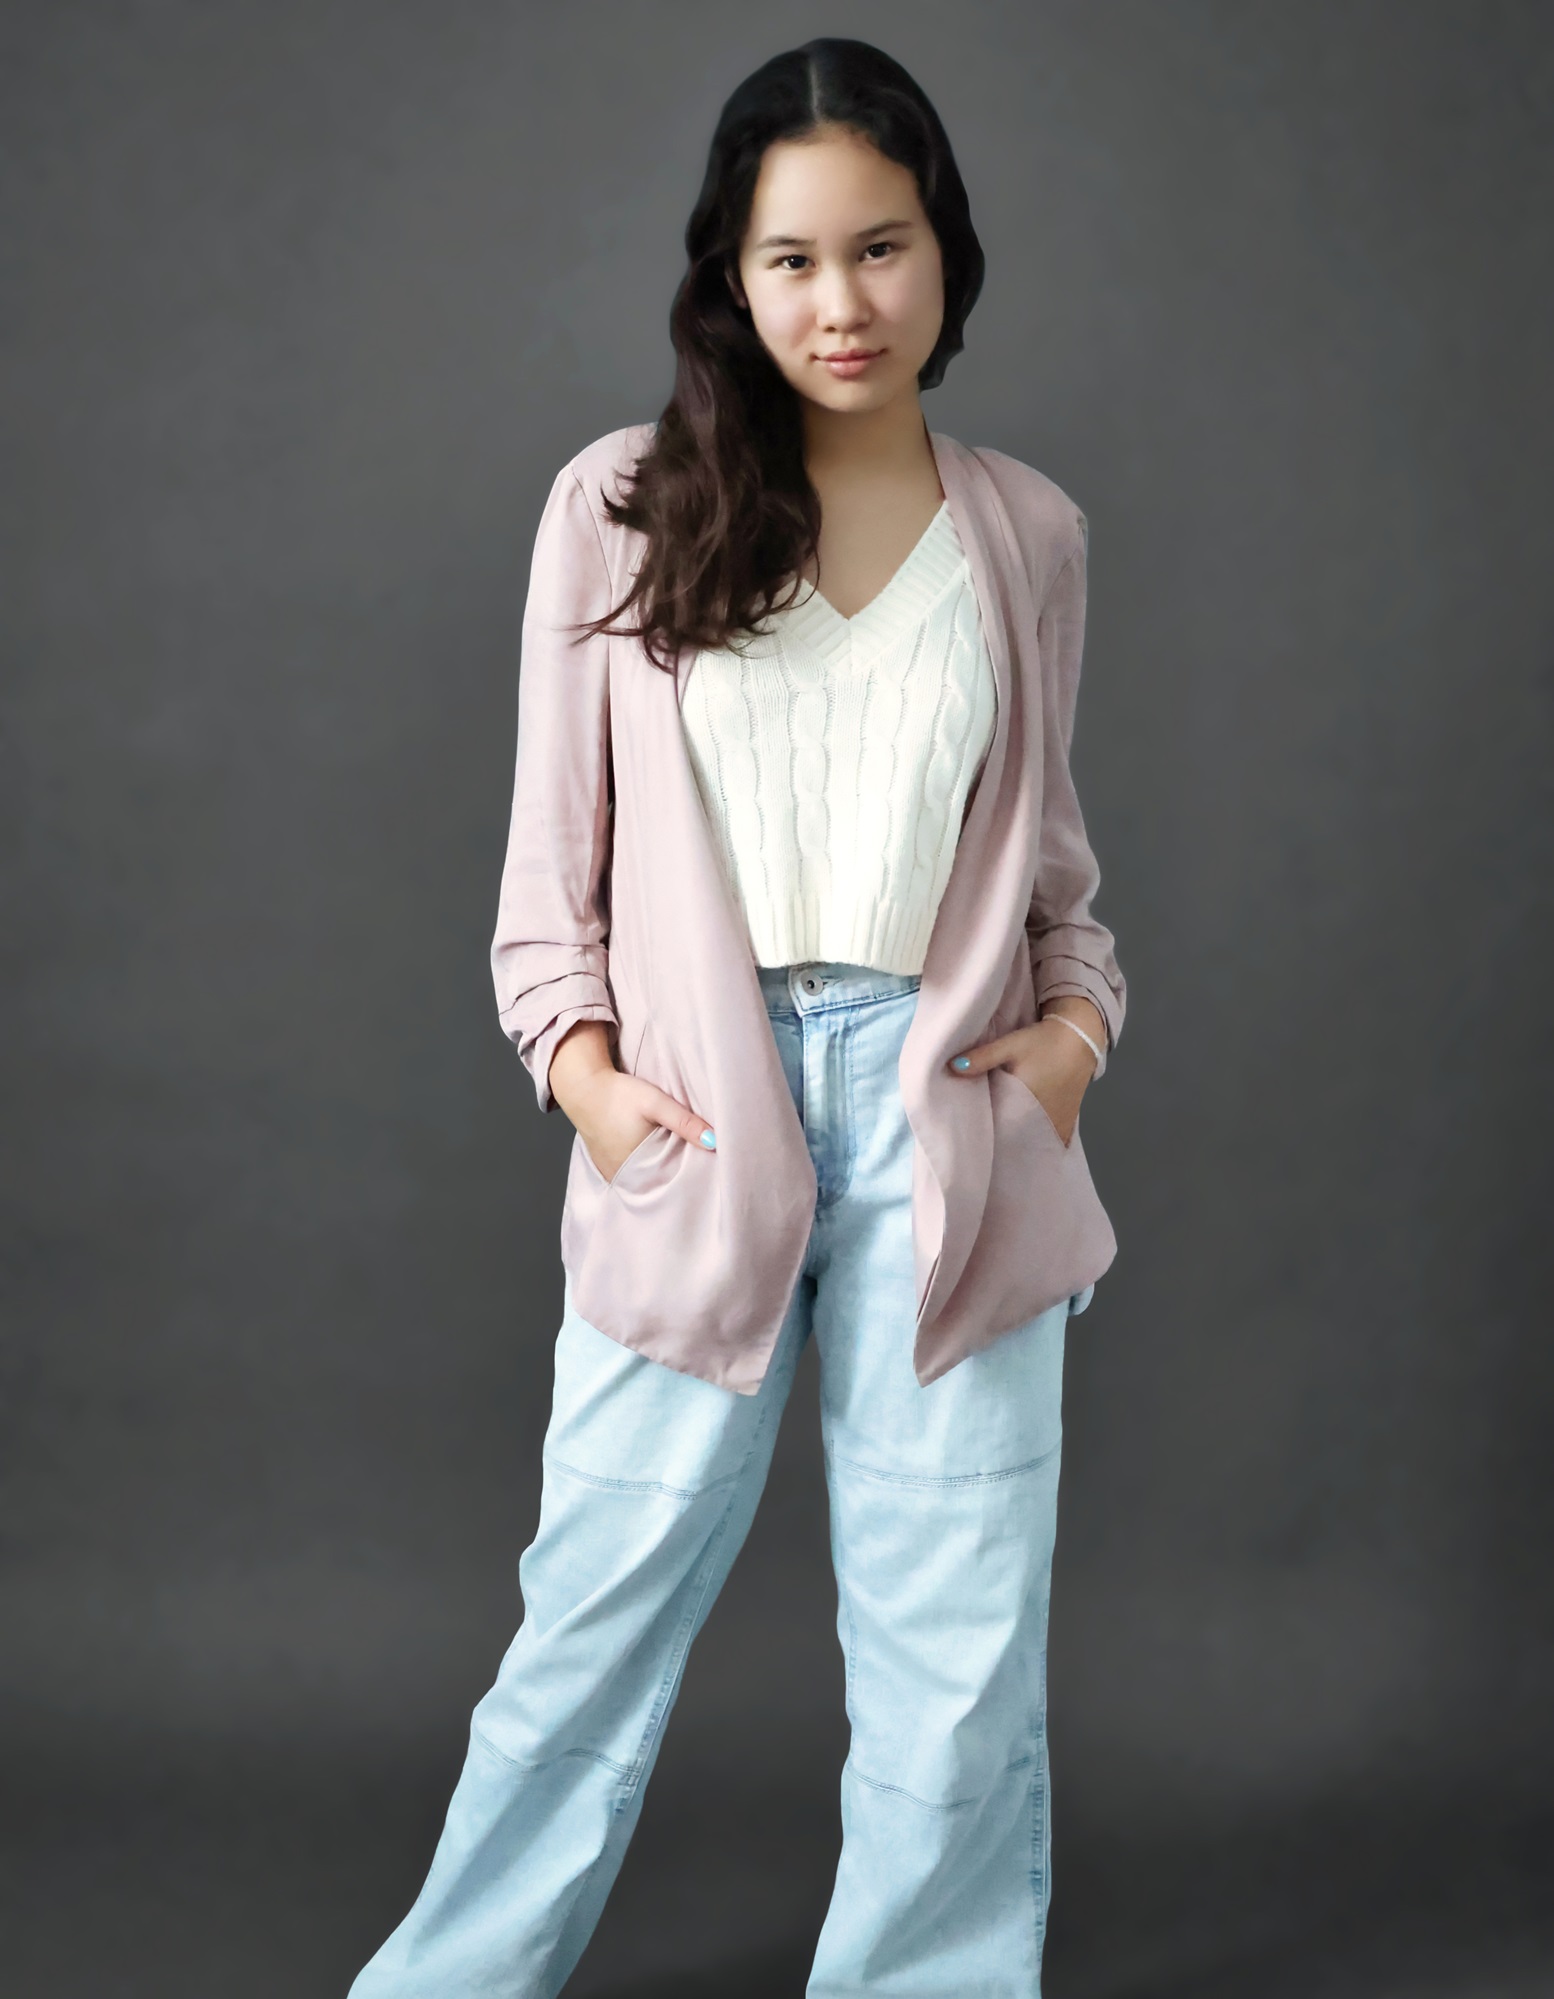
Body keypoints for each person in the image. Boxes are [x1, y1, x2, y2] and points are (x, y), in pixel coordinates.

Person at [348, 35, 1127, 1999]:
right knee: (589, 1624)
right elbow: (550, 886)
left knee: (956, 1660)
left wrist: (1069, 1047)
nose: (839, 302)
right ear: (731, 273)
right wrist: (593, 1086)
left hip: (954, 1128)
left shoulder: (1027, 532)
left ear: (945, 253)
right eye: (791, 259)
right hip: (701, 1121)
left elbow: (1052, 876)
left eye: (881, 247)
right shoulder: (622, 505)